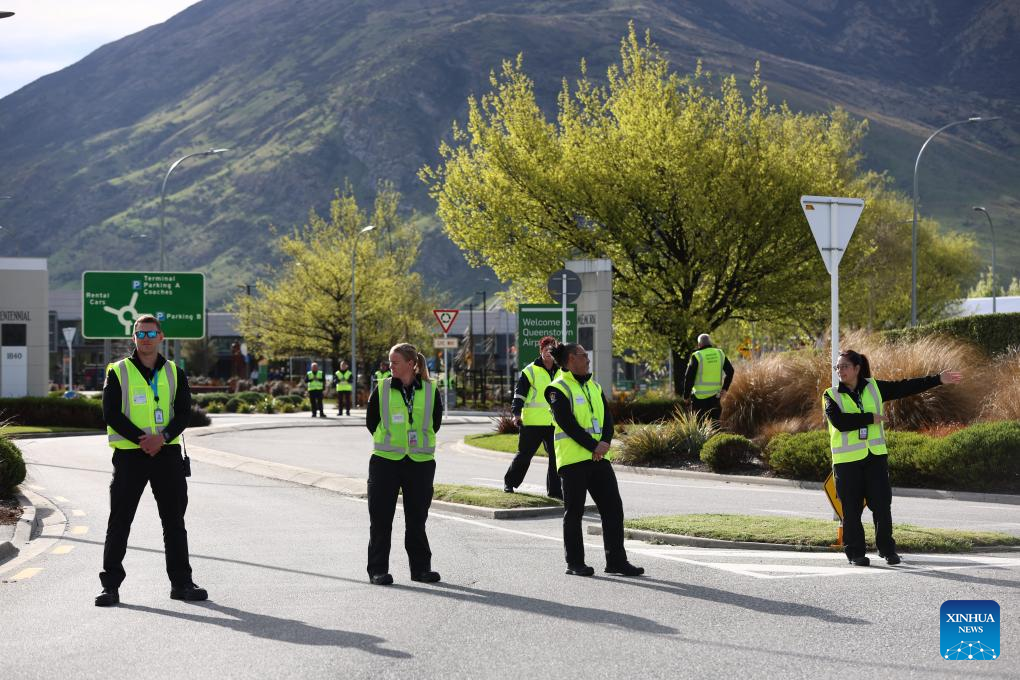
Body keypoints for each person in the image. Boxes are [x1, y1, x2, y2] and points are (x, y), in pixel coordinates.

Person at [95, 315, 206, 607]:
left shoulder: (175, 373)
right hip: (131, 456)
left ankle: (182, 583)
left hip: (167, 455)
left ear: (161, 337)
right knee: (120, 521)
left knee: (174, 522)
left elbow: (183, 413)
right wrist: (143, 439)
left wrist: (163, 436)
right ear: (134, 338)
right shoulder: (117, 371)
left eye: (150, 333)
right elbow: (111, 413)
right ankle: (111, 587)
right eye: (140, 333)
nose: (145, 338)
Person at [824, 349, 962, 566]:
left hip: (875, 458)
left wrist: (937, 379)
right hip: (846, 463)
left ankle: (887, 550)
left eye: (844, 366)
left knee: (881, 505)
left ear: (857, 368)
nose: (840, 370)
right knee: (851, 510)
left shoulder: (874, 388)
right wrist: (870, 417)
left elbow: (904, 386)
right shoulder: (830, 395)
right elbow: (840, 422)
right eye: (838, 367)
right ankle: (856, 553)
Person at [546, 342, 644, 577]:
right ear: (570, 360)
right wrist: (593, 445)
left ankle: (616, 562)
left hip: (600, 459)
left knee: (613, 509)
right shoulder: (557, 388)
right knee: (574, 512)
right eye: (582, 355)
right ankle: (575, 563)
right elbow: (567, 423)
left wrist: (606, 443)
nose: (587, 359)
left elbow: (607, 418)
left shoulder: (594, 386)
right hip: (573, 460)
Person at [365, 343, 444, 585]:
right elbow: (371, 421)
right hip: (385, 462)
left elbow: (435, 422)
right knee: (380, 519)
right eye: (390, 362)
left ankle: (420, 570)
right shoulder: (383, 388)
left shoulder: (431, 390)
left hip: (419, 463)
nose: (390, 367)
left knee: (417, 519)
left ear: (411, 364)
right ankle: (378, 570)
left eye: (395, 362)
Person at [503, 335, 562, 498]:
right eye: (545, 349)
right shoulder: (530, 370)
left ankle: (555, 491)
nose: (548, 352)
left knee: (556, 458)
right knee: (524, 455)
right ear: (541, 351)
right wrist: (516, 414)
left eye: (551, 349)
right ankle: (509, 483)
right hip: (532, 422)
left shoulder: (561, 371)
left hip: (554, 423)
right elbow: (519, 394)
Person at [682, 333, 735, 424]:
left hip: (699, 399)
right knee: (715, 427)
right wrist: (725, 388)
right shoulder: (720, 353)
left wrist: (686, 396)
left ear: (699, 344)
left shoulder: (697, 356)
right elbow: (730, 371)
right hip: (715, 397)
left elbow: (689, 377)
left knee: (699, 429)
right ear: (710, 343)